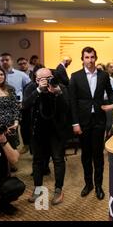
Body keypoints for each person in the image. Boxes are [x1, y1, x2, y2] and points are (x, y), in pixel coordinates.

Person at [69, 47, 113, 200]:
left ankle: (98, 186)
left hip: (99, 121)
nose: (90, 60)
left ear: (96, 58)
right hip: (82, 121)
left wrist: (112, 104)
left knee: (98, 155)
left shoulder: (103, 75)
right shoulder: (75, 76)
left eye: (92, 57)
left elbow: (111, 92)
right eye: (87, 57)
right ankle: (88, 184)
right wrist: (75, 123)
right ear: (82, 59)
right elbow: (72, 102)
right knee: (86, 155)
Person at [23, 68, 70, 205]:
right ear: (36, 80)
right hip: (38, 130)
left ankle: (58, 189)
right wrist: (38, 90)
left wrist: (58, 93)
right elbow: (25, 105)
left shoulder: (59, 86)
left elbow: (66, 108)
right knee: (37, 161)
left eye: (48, 77)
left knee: (58, 159)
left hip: (56, 131)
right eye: (42, 79)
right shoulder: (31, 87)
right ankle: (38, 190)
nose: (46, 81)